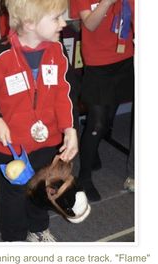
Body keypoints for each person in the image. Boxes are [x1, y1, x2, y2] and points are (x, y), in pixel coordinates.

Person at [0, 0, 78, 242]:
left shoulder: (57, 51)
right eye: (56, 18)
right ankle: (14, 240)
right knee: (14, 197)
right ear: (29, 23)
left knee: (41, 187)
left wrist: (69, 129)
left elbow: (65, 93)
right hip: (11, 146)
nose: (64, 23)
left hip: (47, 140)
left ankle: (38, 229)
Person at [73, 0, 134, 201]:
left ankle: (94, 149)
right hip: (98, 62)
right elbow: (90, 24)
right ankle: (84, 178)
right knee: (97, 123)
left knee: (108, 119)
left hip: (125, 56)